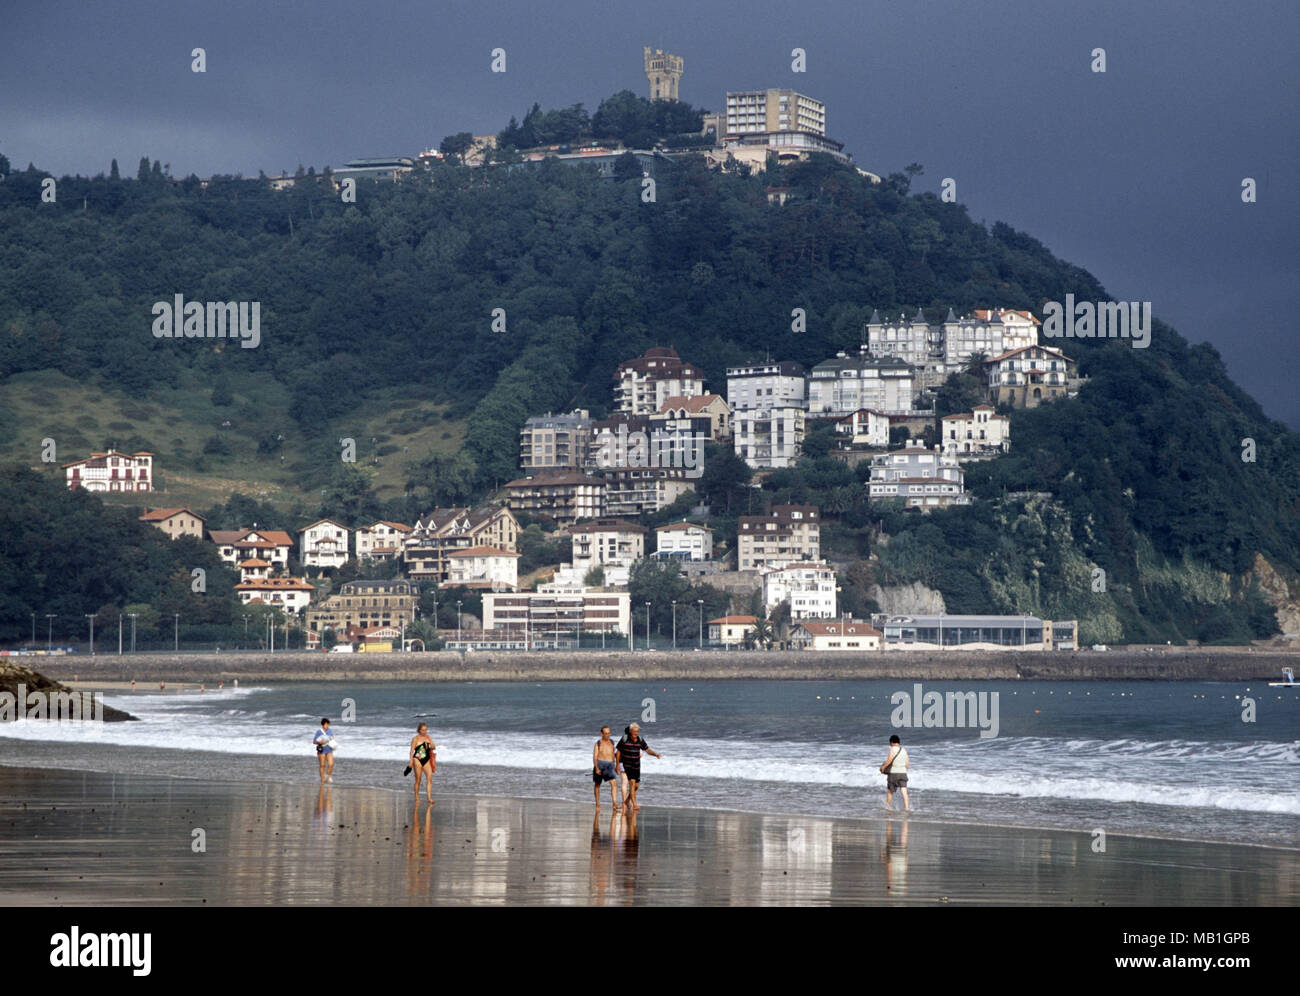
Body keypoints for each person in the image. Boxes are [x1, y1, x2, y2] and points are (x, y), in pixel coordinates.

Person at [615, 722, 661, 811]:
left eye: (637, 731)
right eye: (634, 731)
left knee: (636, 786)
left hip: (637, 765)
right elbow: (618, 751)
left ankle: (626, 801)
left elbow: (647, 749)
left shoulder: (640, 739)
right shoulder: (624, 739)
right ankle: (634, 804)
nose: (636, 733)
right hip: (627, 764)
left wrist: (655, 754)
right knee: (632, 783)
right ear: (630, 731)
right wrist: (617, 764)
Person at [592, 725, 623, 810]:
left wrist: (617, 766)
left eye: (609, 733)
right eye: (606, 733)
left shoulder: (612, 742)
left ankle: (615, 804)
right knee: (597, 784)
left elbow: (616, 755)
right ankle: (597, 804)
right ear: (601, 733)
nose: (607, 735)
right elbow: (594, 757)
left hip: (610, 765)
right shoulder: (598, 743)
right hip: (600, 764)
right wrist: (597, 768)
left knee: (614, 784)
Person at [881, 734, 910, 811]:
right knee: (904, 791)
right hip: (903, 773)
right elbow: (907, 764)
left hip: (893, 773)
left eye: (890, 743)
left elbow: (889, 760)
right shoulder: (904, 750)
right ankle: (907, 808)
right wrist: (903, 770)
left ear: (892, 742)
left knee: (890, 791)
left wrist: (883, 768)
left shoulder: (892, 749)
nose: (890, 745)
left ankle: (887, 807)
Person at [409, 723, 437, 802]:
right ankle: (417, 798)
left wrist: (426, 745)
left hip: (426, 759)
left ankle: (429, 798)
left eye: (426, 730)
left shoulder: (428, 737)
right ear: (419, 730)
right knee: (418, 780)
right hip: (417, 759)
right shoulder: (415, 739)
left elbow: (434, 747)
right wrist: (411, 762)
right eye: (423, 730)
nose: (424, 731)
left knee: (430, 778)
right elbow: (411, 751)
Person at [314, 718, 336, 783]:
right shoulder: (319, 731)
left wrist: (332, 739)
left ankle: (328, 777)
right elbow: (314, 741)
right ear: (323, 724)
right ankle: (322, 780)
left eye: (328, 724)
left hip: (329, 749)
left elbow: (332, 738)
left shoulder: (330, 731)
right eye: (326, 724)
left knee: (331, 764)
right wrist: (321, 742)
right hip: (322, 750)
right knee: (322, 765)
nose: (327, 726)